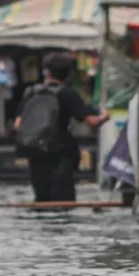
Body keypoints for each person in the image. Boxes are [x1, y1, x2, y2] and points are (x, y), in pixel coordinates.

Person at [14, 51, 100, 205]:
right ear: (68, 74)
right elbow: (91, 121)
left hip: (36, 154)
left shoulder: (31, 93)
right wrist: (105, 117)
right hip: (62, 154)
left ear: (46, 71)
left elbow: (18, 125)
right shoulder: (69, 94)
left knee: (41, 199)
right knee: (64, 201)